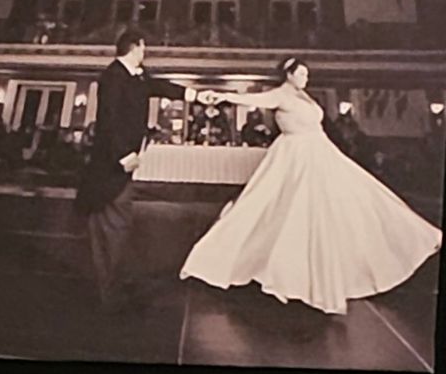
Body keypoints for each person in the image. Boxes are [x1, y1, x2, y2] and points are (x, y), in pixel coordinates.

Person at [181, 57, 440, 316]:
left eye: (306, 74)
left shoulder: (303, 95)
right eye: (301, 73)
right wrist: (222, 96)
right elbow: (255, 99)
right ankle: (250, 264)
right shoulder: (280, 94)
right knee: (276, 208)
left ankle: (365, 258)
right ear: (289, 74)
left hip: (320, 152)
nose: (306, 78)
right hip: (296, 156)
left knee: (354, 200)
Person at [74, 31, 187, 309]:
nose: (145, 52)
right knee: (113, 224)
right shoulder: (113, 77)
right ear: (135, 47)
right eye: (143, 48)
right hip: (110, 165)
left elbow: (159, 86)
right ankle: (109, 293)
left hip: (119, 166)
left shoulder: (137, 75)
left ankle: (111, 285)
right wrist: (123, 154)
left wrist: (193, 94)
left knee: (114, 226)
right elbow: (108, 119)